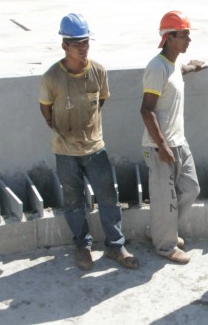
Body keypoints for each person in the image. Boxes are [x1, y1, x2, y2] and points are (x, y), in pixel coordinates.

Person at [39, 13, 138, 271]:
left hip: (95, 148)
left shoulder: (98, 71)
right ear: (64, 45)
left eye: (85, 42)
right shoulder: (52, 78)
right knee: (73, 202)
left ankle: (116, 246)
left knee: (108, 198)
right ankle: (82, 246)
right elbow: (46, 111)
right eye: (76, 43)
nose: (82, 48)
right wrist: (65, 131)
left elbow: (100, 101)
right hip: (65, 151)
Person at [140, 10, 207, 264]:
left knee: (191, 188)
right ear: (169, 37)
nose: (188, 39)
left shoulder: (173, 63)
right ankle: (165, 246)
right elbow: (146, 110)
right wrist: (162, 146)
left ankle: (161, 231)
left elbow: (177, 72)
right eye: (184, 35)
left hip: (179, 140)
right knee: (164, 198)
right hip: (160, 146)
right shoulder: (156, 68)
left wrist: (192, 67)